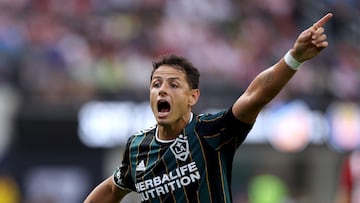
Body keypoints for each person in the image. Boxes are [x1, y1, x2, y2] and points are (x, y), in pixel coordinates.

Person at [84, 13, 333, 203]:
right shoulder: (138, 147)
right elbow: (113, 188)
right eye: (156, 84)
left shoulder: (211, 133)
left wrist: (294, 58)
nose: (162, 90)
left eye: (173, 85)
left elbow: (254, 96)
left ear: (193, 97)